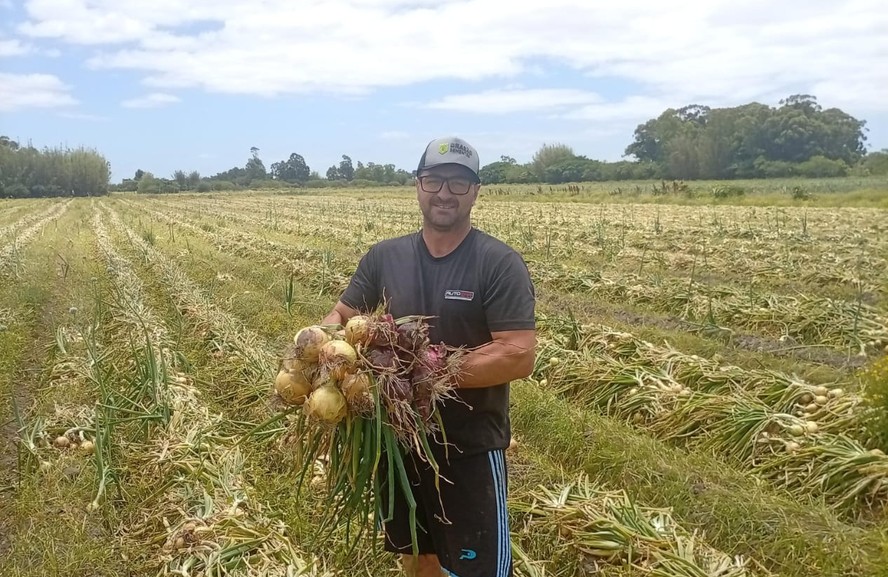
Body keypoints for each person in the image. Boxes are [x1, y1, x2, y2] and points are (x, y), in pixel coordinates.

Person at [321, 136, 536, 577]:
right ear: (417, 185)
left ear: (476, 191)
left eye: (458, 183)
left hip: (468, 448)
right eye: (434, 180)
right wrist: (319, 347)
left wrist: (431, 371)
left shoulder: (497, 263)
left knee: (478, 570)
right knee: (417, 554)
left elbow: (518, 354)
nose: (443, 193)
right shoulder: (385, 257)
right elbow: (343, 316)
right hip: (395, 443)